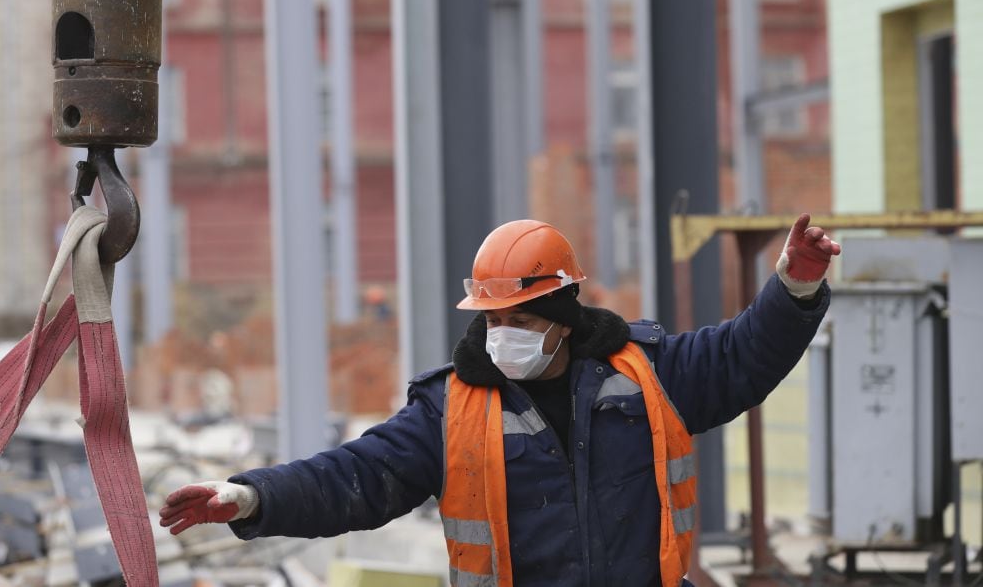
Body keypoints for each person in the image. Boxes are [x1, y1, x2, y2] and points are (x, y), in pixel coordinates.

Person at [161, 214, 839, 587]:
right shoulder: (451, 410)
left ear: (561, 313)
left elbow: (742, 356)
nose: (502, 335)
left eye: (519, 318)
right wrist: (249, 497)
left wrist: (795, 288)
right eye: (494, 320)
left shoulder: (646, 373)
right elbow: (354, 477)